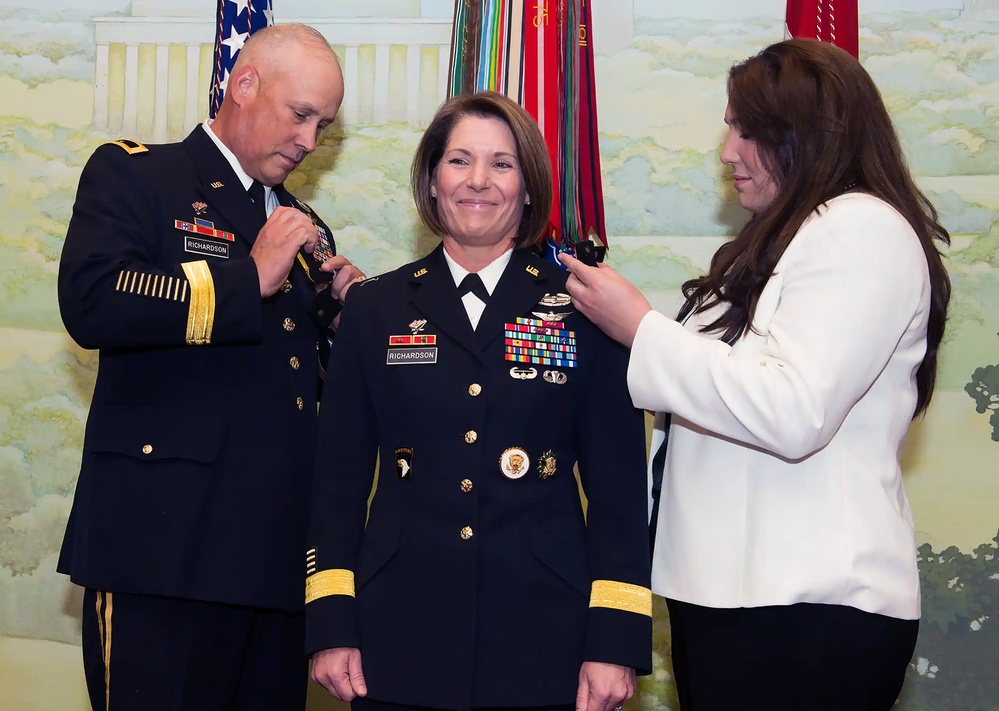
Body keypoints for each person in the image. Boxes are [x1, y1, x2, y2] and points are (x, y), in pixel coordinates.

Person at [560, 39, 951, 710]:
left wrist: (641, 327)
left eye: (747, 130)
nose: (726, 150)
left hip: (807, 605)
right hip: (732, 597)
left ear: (806, 136)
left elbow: (792, 408)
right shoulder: (773, 242)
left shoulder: (860, 228)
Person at [305, 90, 653, 711]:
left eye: (501, 163)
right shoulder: (375, 310)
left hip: (546, 633)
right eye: (459, 161)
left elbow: (619, 490)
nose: (478, 181)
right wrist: (331, 622)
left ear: (527, 188)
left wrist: (616, 640)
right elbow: (336, 480)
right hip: (397, 631)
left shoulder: (587, 311)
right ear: (433, 181)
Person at [57, 24, 364, 711]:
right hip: (163, 551)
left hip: (274, 558)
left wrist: (345, 327)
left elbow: (295, 389)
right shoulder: (136, 173)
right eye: (301, 114)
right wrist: (245, 277)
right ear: (244, 83)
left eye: (324, 124)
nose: (310, 141)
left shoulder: (301, 223)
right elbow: (91, 300)